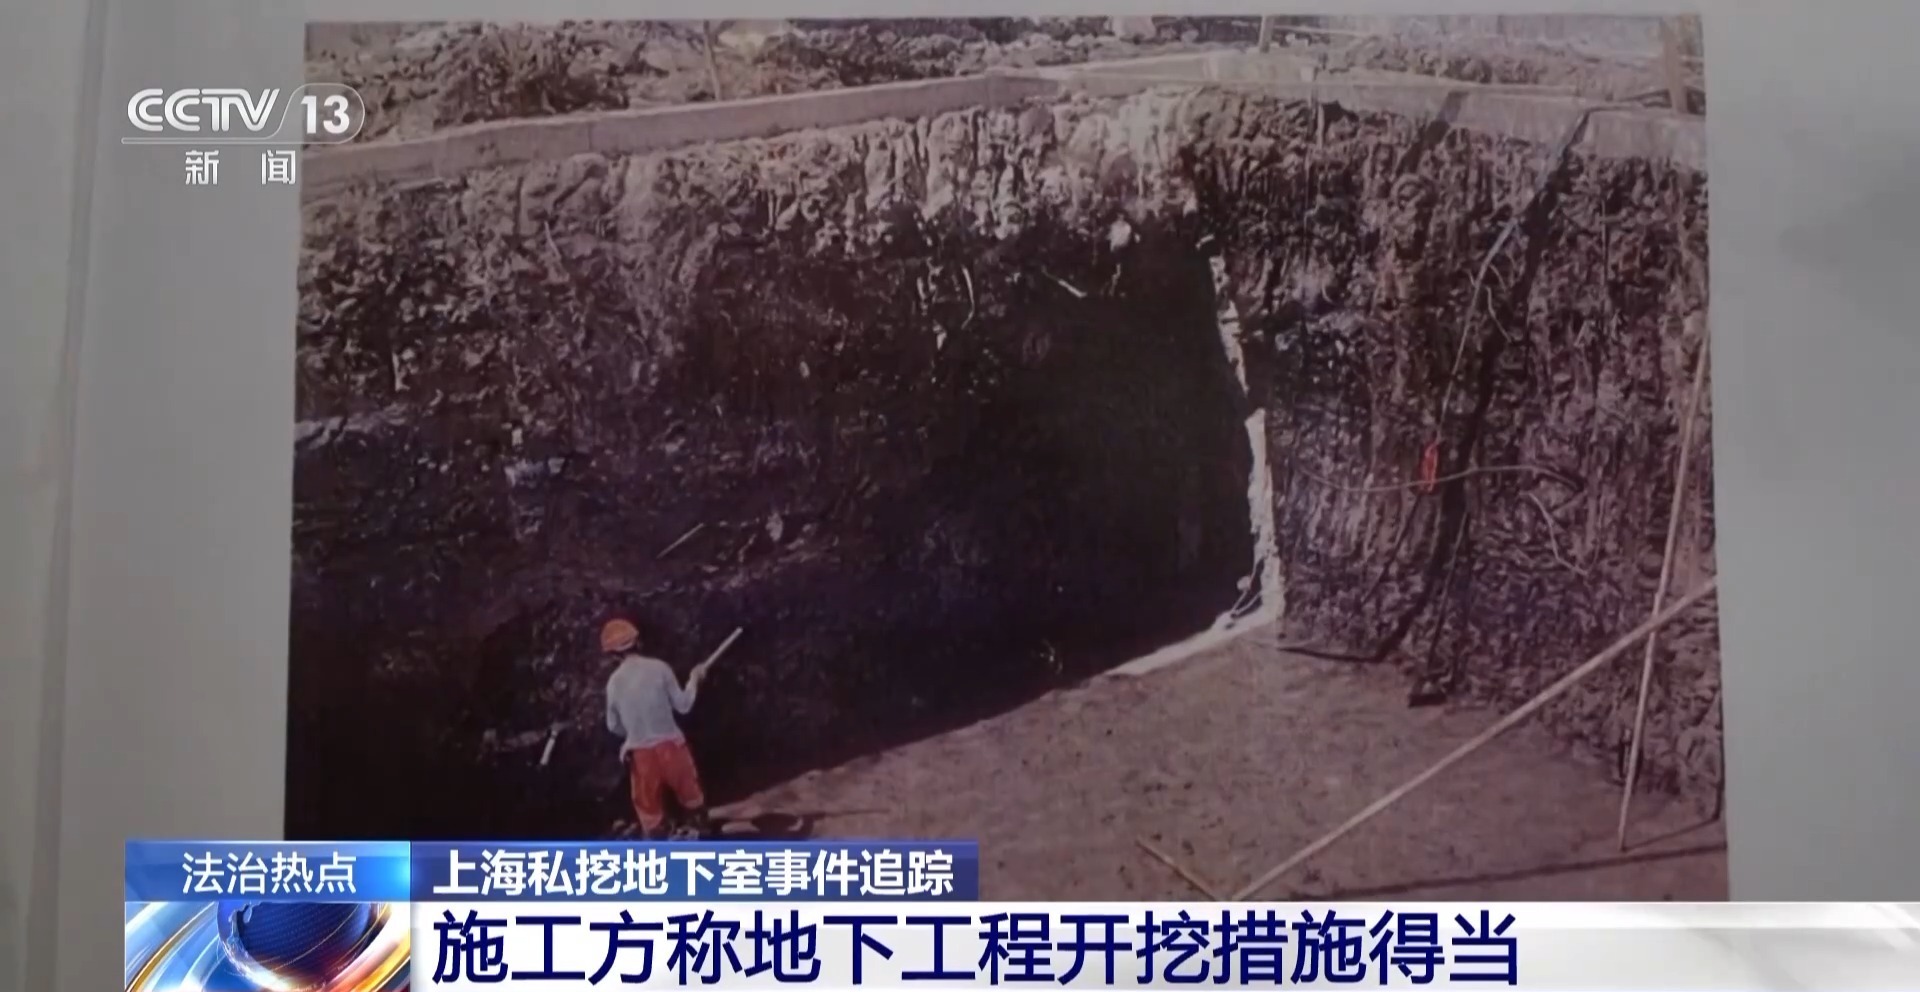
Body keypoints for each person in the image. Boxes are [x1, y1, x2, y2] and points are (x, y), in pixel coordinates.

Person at [600, 618, 712, 839]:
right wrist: (694, 679)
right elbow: (684, 706)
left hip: (642, 757)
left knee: (651, 817)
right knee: (693, 803)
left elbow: (613, 726)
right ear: (637, 642)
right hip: (672, 748)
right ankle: (703, 838)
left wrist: (633, 732)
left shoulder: (613, 683)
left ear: (612, 655)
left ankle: (658, 848)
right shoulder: (659, 668)